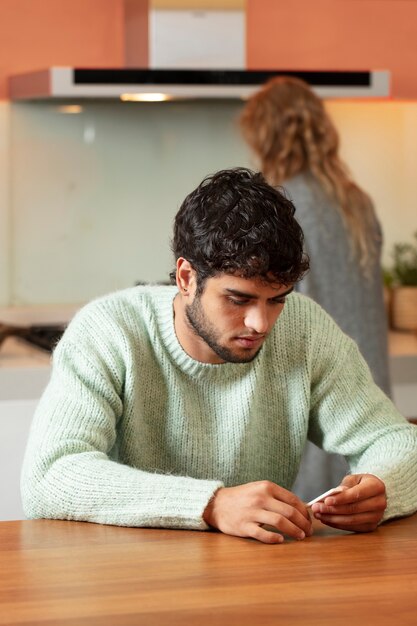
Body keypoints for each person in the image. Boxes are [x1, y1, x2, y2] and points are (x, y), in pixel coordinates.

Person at [21, 168, 417, 545]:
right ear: (186, 278)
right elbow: (50, 476)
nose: (261, 323)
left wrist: (384, 486)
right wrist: (210, 504)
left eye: (276, 299)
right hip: (127, 578)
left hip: (256, 581)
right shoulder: (108, 331)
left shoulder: (305, 329)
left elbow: (395, 441)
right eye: (238, 299)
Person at [240, 76, 391, 501]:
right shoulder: (354, 199)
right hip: (368, 381)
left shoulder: (278, 204)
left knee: (301, 519)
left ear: (264, 134)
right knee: (357, 510)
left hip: (309, 376)